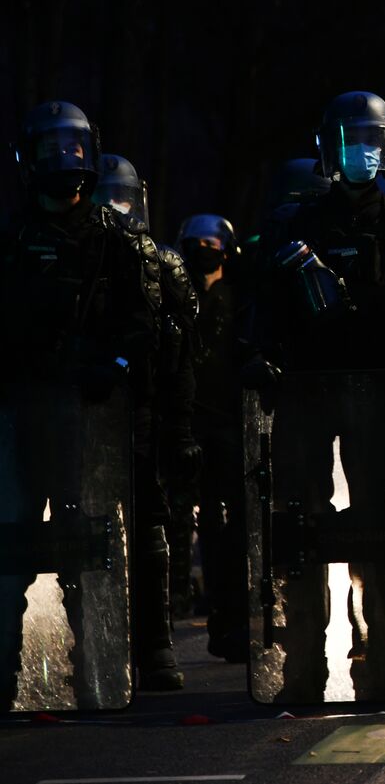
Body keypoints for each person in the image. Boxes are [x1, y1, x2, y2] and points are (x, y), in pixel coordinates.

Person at [244, 91, 385, 701]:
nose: (363, 154)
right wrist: (257, 355)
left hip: (381, 391)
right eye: (351, 143)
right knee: (299, 527)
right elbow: (261, 307)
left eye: (372, 142)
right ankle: (304, 668)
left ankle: (378, 665)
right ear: (330, 151)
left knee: (381, 525)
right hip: (306, 393)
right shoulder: (293, 224)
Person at [0, 102, 171, 703]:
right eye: (51, 150)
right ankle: (5, 679)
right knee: (11, 548)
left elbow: (142, 324)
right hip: (19, 419)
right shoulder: (12, 240)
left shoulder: (116, 241)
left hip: (90, 423)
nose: (63, 161)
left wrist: (112, 369)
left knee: (89, 549)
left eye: (71, 149)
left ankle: (100, 674)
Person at [93, 155, 202, 623]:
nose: (120, 209)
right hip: (93, 404)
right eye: (110, 200)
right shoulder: (85, 254)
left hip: (144, 406)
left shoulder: (164, 263)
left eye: (126, 199)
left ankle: (156, 638)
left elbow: (180, 355)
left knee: (150, 518)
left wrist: (179, 429)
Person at [178, 213, 248, 661]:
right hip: (185, 422)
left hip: (228, 421)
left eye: (212, 242)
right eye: (196, 242)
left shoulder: (239, 301)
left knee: (232, 529)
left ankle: (233, 622)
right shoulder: (176, 297)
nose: (204, 249)